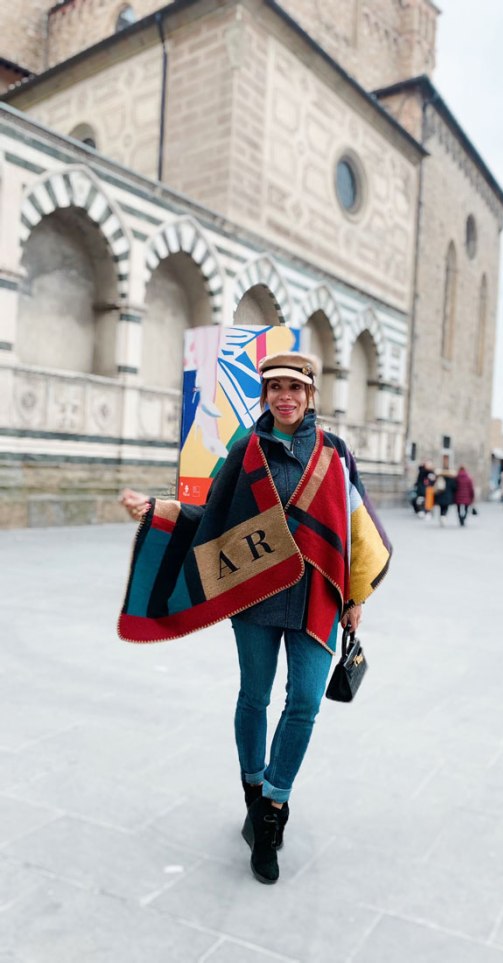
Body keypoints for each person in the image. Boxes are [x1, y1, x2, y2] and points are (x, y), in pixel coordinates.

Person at [118, 352, 391, 886]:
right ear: (264, 396)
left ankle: (273, 805)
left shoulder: (335, 455)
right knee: (255, 697)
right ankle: (254, 796)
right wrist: (160, 510)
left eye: (294, 387)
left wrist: (357, 594)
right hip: (256, 596)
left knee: (306, 703)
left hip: (316, 597)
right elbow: (211, 519)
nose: (284, 396)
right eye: (275, 389)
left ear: (311, 394)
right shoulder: (245, 451)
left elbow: (358, 529)